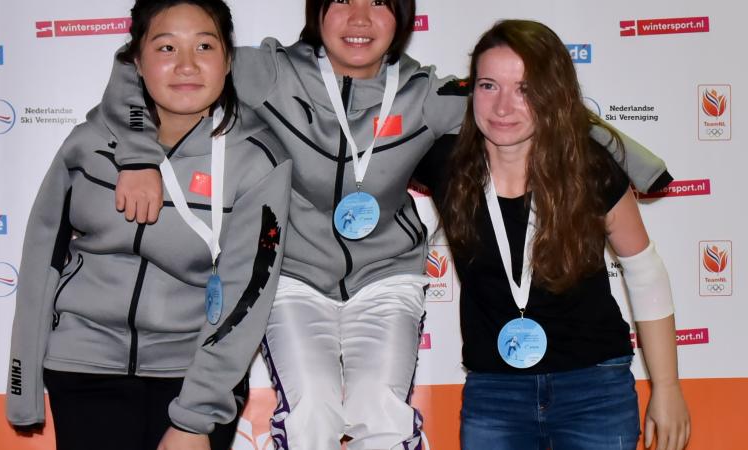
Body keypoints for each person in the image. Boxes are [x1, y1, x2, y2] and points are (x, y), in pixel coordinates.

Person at [105, 2, 674, 449]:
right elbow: (141, 64)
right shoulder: (267, 73)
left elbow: (548, 109)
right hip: (297, 276)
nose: (359, 18)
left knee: (382, 413)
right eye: (343, 1)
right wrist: (135, 154)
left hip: (389, 279)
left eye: (378, 2)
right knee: (312, 417)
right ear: (317, 9)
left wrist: (645, 168)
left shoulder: (427, 96)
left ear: (401, 17)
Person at [5, 1, 291, 449]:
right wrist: (22, 387)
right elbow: (42, 256)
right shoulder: (89, 143)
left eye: (204, 45)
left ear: (228, 59)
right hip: (83, 368)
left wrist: (195, 419)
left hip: (193, 374)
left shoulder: (258, 158)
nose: (186, 65)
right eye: (165, 48)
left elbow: (247, 293)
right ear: (135, 61)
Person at [429, 20, 690, 450]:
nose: (503, 107)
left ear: (553, 94)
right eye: (489, 85)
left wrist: (667, 387)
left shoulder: (589, 166)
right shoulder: (445, 163)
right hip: (495, 394)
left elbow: (644, 272)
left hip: (595, 389)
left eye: (525, 89)